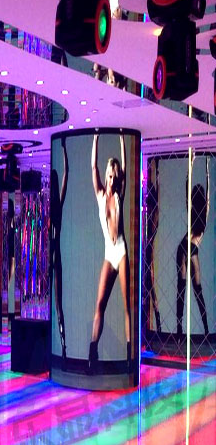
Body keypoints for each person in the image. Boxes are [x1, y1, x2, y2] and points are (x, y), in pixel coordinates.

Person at [89, 133, 131, 371]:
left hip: (121, 250)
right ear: (106, 175)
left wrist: (122, 139)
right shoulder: (100, 195)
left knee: (127, 305)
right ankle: (92, 353)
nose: (113, 179)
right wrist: (95, 139)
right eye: (110, 175)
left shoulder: (118, 195)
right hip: (109, 252)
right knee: (99, 305)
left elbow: (125, 166)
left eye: (115, 176)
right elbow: (93, 167)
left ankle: (129, 356)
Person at [176, 157, 210, 338]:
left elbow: (187, 191)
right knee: (196, 291)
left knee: (183, 289)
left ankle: (181, 329)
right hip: (190, 248)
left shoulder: (196, 212)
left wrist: (193, 165)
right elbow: (200, 194)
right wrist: (206, 170)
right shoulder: (202, 213)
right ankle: (205, 329)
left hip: (185, 247)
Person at [51, 137, 69, 358]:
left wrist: (63, 148)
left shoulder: (54, 207)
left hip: (54, 256)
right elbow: (66, 175)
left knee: (57, 304)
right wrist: (63, 149)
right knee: (57, 305)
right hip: (56, 256)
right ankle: (62, 346)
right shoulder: (57, 207)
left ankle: (62, 346)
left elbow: (65, 176)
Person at [144, 157, 162, 333]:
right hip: (147, 247)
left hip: (148, 248)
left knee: (149, 286)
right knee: (149, 286)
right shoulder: (154, 212)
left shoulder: (153, 213)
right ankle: (157, 320)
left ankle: (157, 320)